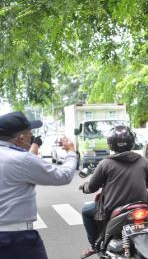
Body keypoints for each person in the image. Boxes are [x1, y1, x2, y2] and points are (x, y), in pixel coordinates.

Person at [0, 111, 77, 259]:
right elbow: (64, 176)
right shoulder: (22, 159)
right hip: (17, 240)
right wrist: (71, 152)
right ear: (21, 138)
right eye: (31, 134)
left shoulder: (20, 158)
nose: (32, 137)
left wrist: (33, 146)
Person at [79, 126, 148, 258]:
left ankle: (95, 245)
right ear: (132, 142)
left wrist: (84, 187)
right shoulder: (143, 161)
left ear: (111, 144)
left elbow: (91, 187)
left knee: (86, 211)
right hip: (141, 207)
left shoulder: (105, 163)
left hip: (114, 209)